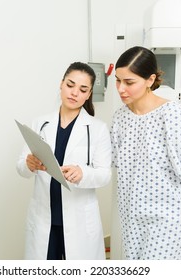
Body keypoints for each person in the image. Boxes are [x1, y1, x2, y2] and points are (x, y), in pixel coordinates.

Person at [110, 46, 181, 260]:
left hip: (166, 220)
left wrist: (171, 208)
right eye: (118, 80)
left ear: (150, 80)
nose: (121, 88)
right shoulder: (120, 118)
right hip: (131, 218)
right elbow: (114, 162)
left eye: (129, 82)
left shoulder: (172, 115)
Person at [16, 62, 111, 260]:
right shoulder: (40, 123)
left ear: (88, 94)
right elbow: (21, 168)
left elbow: (104, 175)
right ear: (61, 84)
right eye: (70, 85)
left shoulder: (97, 129)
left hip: (79, 221)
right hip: (45, 219)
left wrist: (83, 173)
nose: (74, 93)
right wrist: (29, 164)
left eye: (82, 89)